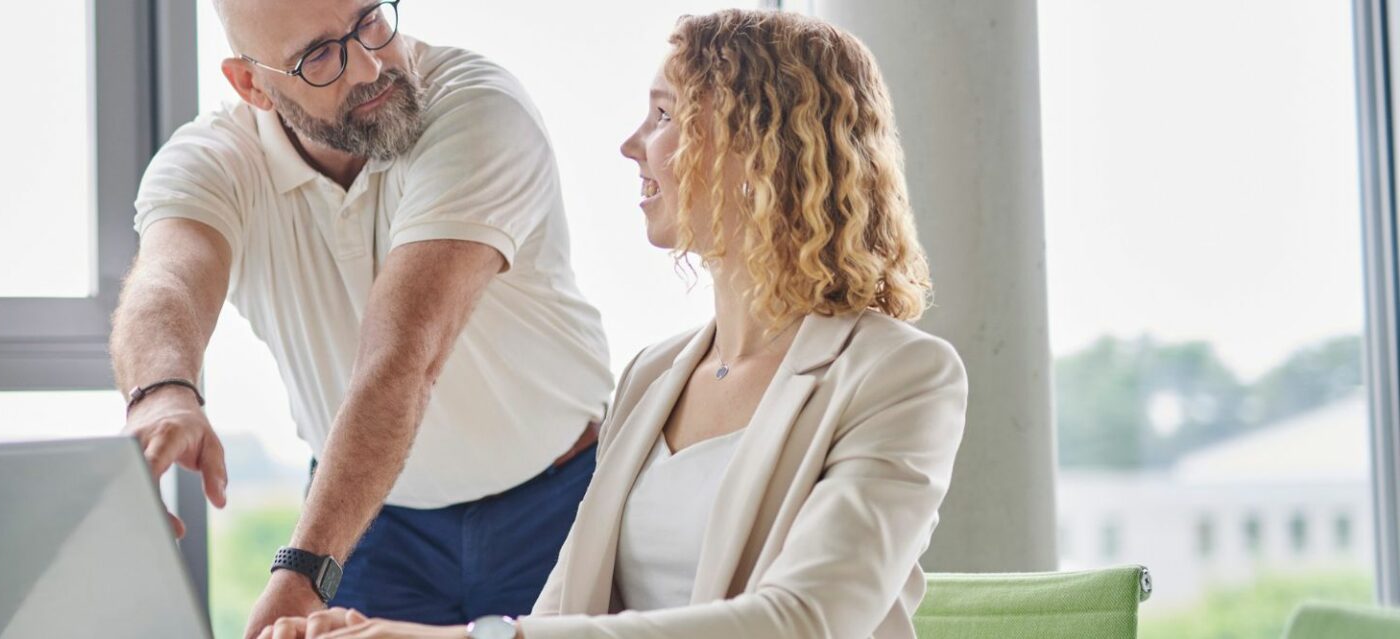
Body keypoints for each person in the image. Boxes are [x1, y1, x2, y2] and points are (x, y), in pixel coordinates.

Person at [257, 8, 968, 639]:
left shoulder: (901, 376)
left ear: (762, 149)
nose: (633, 145)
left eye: (664, 115)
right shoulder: (652, 376)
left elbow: (807, 619)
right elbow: (560, 615)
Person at [107, 0, 614, 635]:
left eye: (370, 18)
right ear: (251, 84)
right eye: (319, 55)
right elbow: (167, 279)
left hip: (558, 501)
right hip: (369, 517)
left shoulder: (478, 108)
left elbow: (405, 357)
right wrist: (162, 392)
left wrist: (297, 574)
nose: (370, 65)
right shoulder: (214, 160)